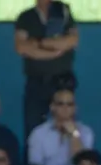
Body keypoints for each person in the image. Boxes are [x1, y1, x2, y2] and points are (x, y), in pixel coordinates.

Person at [14, 0, 78, 140]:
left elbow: (71, 40)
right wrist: (52, 52)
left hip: (62, 81)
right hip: (36, 82)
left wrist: (39, 43)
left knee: (66, 126)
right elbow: (21, 47)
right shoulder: (26, 17)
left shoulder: (62, 12)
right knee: (33, 127)